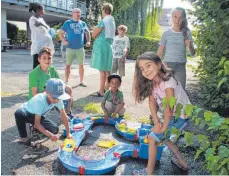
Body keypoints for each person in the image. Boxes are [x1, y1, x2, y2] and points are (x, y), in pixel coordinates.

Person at [132, 52, 190, 175]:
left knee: (153, 139)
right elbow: (152, 102)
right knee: (165, 139)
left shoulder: (168, 82)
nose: (146, 71)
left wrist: (162, 127)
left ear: (158, 64)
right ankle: (183, 163)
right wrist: (156, 122)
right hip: (174, 115)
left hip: (181, 115)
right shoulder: (152, 82)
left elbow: (169, 108)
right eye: (142, 69)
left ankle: (149, 172)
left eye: (148, 65)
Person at [14, 78, 72, 146]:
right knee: (19, 114)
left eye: (59, 97)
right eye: (54, 98)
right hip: (27, 112)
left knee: (55, 130)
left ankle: (35, 129)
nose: (56, 100)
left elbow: (64, 116)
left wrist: (68, 133)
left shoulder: (58, 99)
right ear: (47, 92)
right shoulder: (40, 101)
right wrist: (50, 135)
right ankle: (24, 138)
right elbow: (37, 123)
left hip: (39, 114)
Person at [29, 47, 76, 119]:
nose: (47, 60)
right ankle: (52, 109)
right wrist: (49, 94)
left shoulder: (52, 69)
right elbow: (34, 94)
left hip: (52, 95)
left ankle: (67, 112)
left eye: (49, 58)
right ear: (39, 59)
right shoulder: (34, 74)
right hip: (40, 98)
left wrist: (64, 92)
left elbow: (61, 83)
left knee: (68, 88)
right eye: (44, 58)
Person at [157, 7, 195, 90]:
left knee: (181, 91)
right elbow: (160, 52)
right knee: (166, 91)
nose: (177, 20)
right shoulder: (166, 33)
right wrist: (157, 65)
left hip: (180, 66)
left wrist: (189, 46)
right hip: (167, 65)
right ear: (171, 16)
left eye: (180, 17)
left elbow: (193, 53)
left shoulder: (187, 33)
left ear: (184, 18)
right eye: (175, 17)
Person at [59, 8, 91, 86]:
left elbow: (87, 32)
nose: (78, 14)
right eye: (77, 12)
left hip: (80, 48)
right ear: (72, 13)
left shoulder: (83, 23)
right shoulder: (67, 23)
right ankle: (66, 81)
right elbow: (61, 33)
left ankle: (81, 81)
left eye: (79, 13)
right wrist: (63, 41)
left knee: (81, 65)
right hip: (70, 48)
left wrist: (88, 41)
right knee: (68, 65)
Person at [91, 3, 116, 97]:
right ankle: (107, 88)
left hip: (102, 45)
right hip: (109, 45)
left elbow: (94, 35)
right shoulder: (112, 20)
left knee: (102, 70)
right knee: (107, 69)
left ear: (104, 10)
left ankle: (101, 91)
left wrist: (95, 30)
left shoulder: (104, 21)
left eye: (102, 10)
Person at [29, 2, 54, 69]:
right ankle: (35, 79)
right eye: (43, 9)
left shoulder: (41, 20)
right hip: (38, 46)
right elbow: (41, 30)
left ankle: (44, 77)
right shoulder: (32, 19)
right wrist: (41, 25)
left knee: (46, 63)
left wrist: (41, 24)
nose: (44, 11)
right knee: (37, 64)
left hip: (46, 45)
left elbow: (48, 29)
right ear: (38, 10)